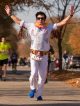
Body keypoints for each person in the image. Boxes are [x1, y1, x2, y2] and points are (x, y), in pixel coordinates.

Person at [5, 5, 74, 100]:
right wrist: (10, 14)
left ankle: (39, 94)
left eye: (42, 18)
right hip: (33, 55)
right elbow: (18, 20)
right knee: (33, 73)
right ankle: (32, 89)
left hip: (44, 56)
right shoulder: (30, 25)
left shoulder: (49, 27)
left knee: (42, 78)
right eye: (38, 18)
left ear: (44, 19)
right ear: (36, 19)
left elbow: (62, 23)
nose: (40, 20)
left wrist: (70, 15)